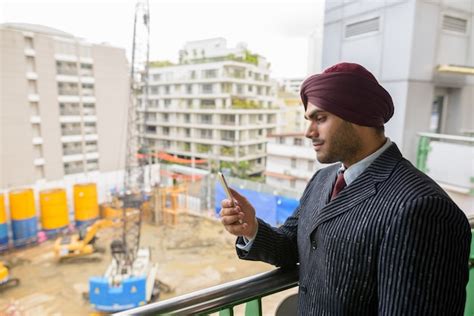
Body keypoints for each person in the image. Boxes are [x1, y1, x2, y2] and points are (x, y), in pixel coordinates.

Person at [220, 62, 471, 315]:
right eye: (309, 119)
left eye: (321, 118)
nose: (308, 132)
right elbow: (293, 245)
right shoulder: (322, 179)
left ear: (358, 116)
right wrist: (251, 228)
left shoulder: (421, 208)